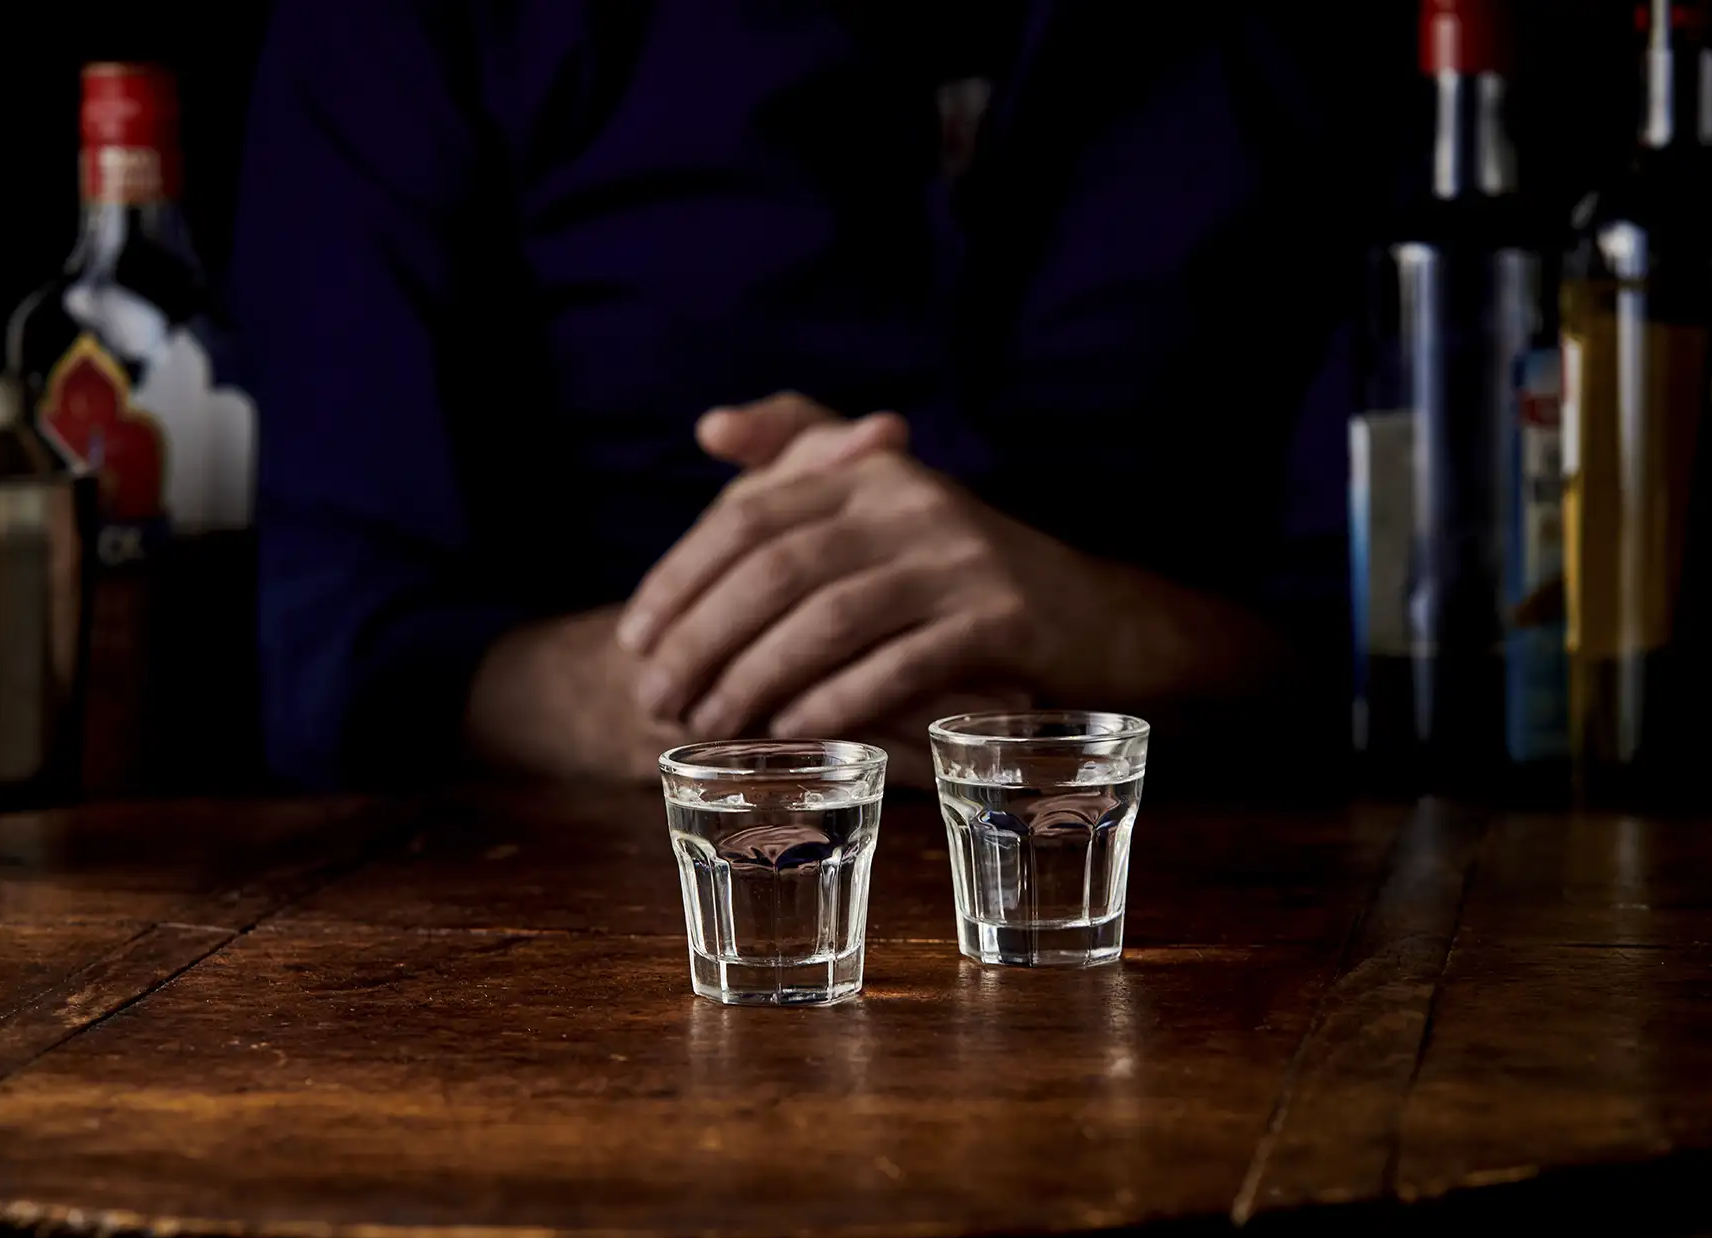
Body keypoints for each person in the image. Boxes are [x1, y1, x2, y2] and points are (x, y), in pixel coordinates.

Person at [232, 1, 1381, 790]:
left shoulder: (1310, 38)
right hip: (596, 951)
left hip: (1236, 934)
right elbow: (334, 646)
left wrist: (1097, 631)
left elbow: (1425, 637)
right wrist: (719, 679)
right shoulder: (406, 28)